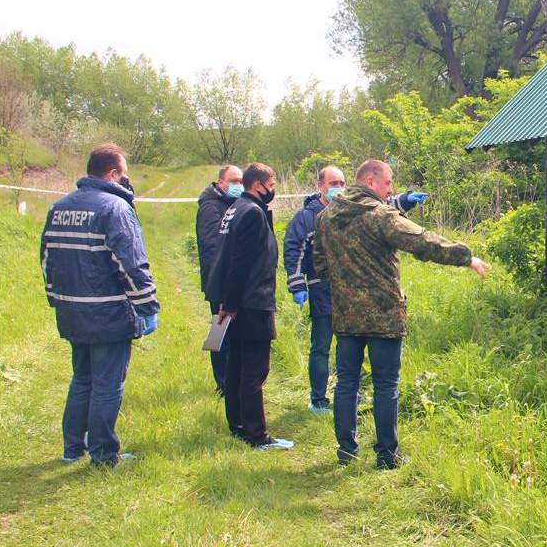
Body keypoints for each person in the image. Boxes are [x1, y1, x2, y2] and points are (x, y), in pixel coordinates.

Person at [314, 159, 488, 468]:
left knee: (346, 383)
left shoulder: (326, 217)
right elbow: (422, 241)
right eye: (388, 183)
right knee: (385, 385)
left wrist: (345, 288)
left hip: (346, 316)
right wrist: (466, 257)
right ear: (370, 182)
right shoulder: (380, 215)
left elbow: (320, 264)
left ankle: (346, 452)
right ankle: (386, 455)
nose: (390, 189)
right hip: (384, 315)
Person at [39, 142, 159, 468]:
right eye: (124, 173)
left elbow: (47, 259)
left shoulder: (59, 207)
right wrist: (147, 306)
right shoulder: (115, 209)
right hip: (108, 313)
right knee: (107, 384)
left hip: (72, 311)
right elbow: (131, 264)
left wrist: (56, 299)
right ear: (112, 173)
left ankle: (72, 448)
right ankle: (104, 454)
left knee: (82, 379)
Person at [282, 165, 429, 416]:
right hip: (322, 289)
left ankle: (351, 393)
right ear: (320, 186)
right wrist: (297, 284)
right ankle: (318, 399)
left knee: (349, 348)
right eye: (333, 183)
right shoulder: (308, 217)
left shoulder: (349, 208)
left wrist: (405, 200)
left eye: (342, 183)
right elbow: (293, 250)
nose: (338, 188)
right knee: (321, 345)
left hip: (351, 296)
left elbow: (379, 208)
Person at [204, 162, 293, 451]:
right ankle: (257, 434)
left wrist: (226, 300)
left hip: (237, 300)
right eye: (272, 184)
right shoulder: (252, 212)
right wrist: (231, 303)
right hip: (252, 301)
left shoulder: (236, 208)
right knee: (254, 370)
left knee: (237, 366)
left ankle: (238, 424)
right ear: (258, 185)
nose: (273, 190)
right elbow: (239, 262)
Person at [195, 164, 243, 398]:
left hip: (232, 281)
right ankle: (222, 383)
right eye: (233, 181)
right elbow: (212, 248)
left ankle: (232, 379)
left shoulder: (232, 204)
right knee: (219, 330)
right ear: (221, 182)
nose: (238, 185)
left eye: (241, 181)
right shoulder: (210, 207)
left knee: (231, 333)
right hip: (218, 282)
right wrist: (222, 285)